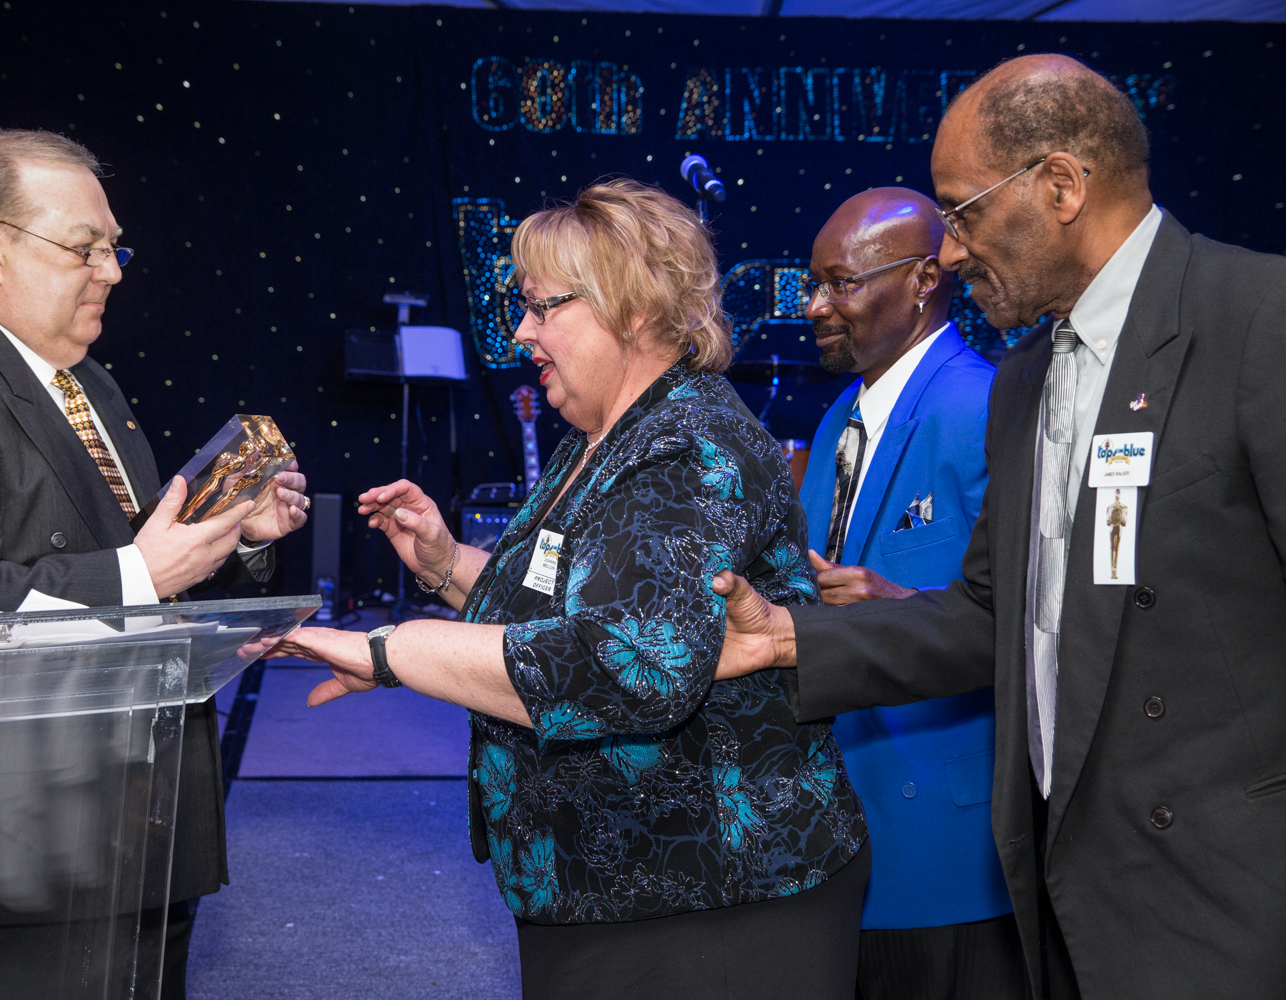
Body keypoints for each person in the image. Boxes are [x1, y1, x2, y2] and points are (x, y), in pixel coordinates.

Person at [710, 54, 1286, 999]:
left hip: (1229, 900)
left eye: (963, 212)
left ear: (1060, 186)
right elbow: (988, 615)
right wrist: (789, 640)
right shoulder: (1025, 377)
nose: (948, 253)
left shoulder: (1259, 320)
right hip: (1058, 885)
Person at [283, 179, 870, 999]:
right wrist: (447, 563)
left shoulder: (689, 447)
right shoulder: (598, 437)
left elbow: (629, 661)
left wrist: (394, 650)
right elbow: (567, 609)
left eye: (541, 306)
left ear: (631, 306)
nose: (521, 331)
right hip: (615, 887)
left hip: (710, 903)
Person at [0, 129, 309, 998]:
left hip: (143, 825)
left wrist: (237, 535)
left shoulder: (89, 384)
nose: (112, 271)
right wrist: (143, 573)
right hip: (14, 848)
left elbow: (136, 561)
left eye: (113, 248)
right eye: (84, 247)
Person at [798, 188, 1023, 998]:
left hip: (949, 854)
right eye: (813, 284)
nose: (815, 305)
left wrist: (899, 606)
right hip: (842, 838)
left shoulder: (986, 406)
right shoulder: (838, 418)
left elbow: (1039, 622)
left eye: (840, 283)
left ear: (925, 280)